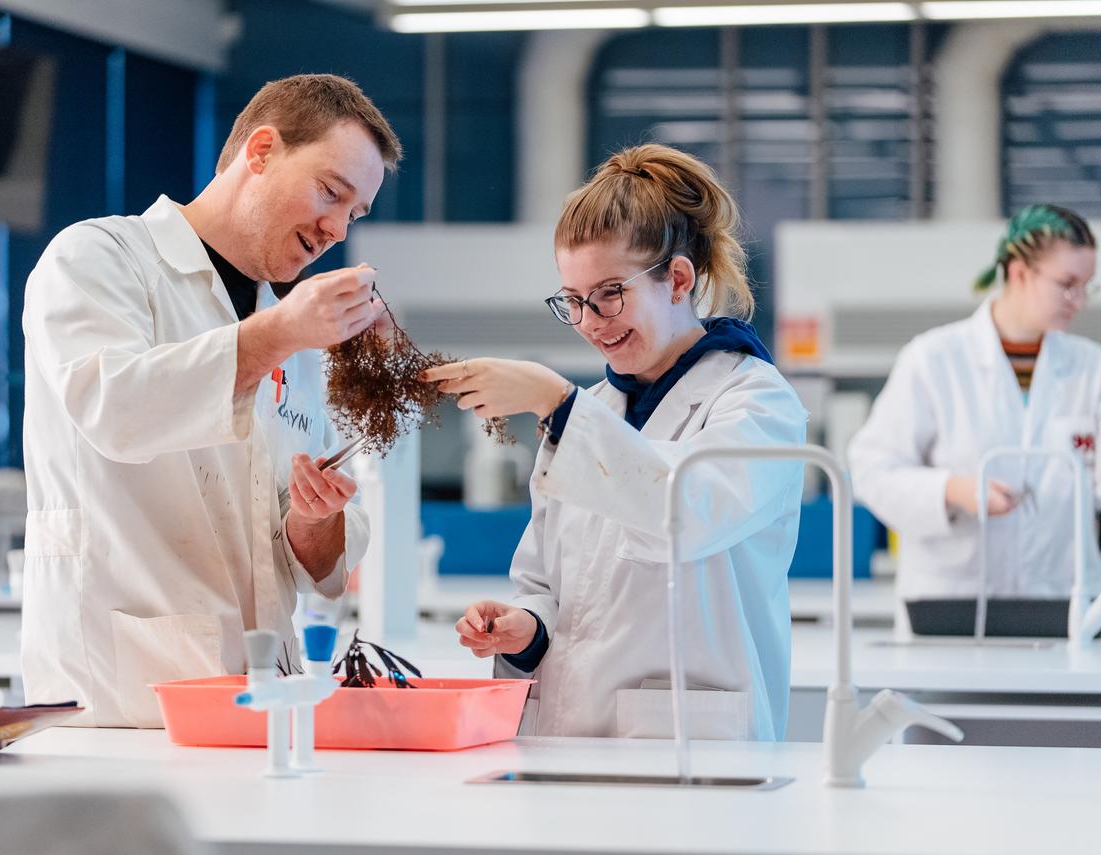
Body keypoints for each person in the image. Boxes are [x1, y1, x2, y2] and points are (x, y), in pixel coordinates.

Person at [21, 74, 401, 727]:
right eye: (330, 192)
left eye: (355, 213)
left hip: (262, 693)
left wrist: (315, 520)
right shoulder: (99, 258)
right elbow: (114, 409)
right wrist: (279, 334)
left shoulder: (289, 326)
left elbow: (305, 540)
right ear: (261, 152)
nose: (337, 227)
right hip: (123, 698)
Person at [425, 144, 807, 740]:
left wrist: (554, 400)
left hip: (689, 739)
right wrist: (527, 625)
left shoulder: (756, 402)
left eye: (609, 293)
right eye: (573, 301)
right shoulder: (594, 412)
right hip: (571, 737)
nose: (590, 320)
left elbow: (686, 514)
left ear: (677, 279)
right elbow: (549, 582)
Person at [848, 204, 1100, 630]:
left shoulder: (1090, 368)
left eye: (1086, 288)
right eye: (1067, 285)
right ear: (1021, 273)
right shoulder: (934, 360)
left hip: (1064, 603)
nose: (1078, 301)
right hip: (951, 606)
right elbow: (871, 468)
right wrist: (952, 490)